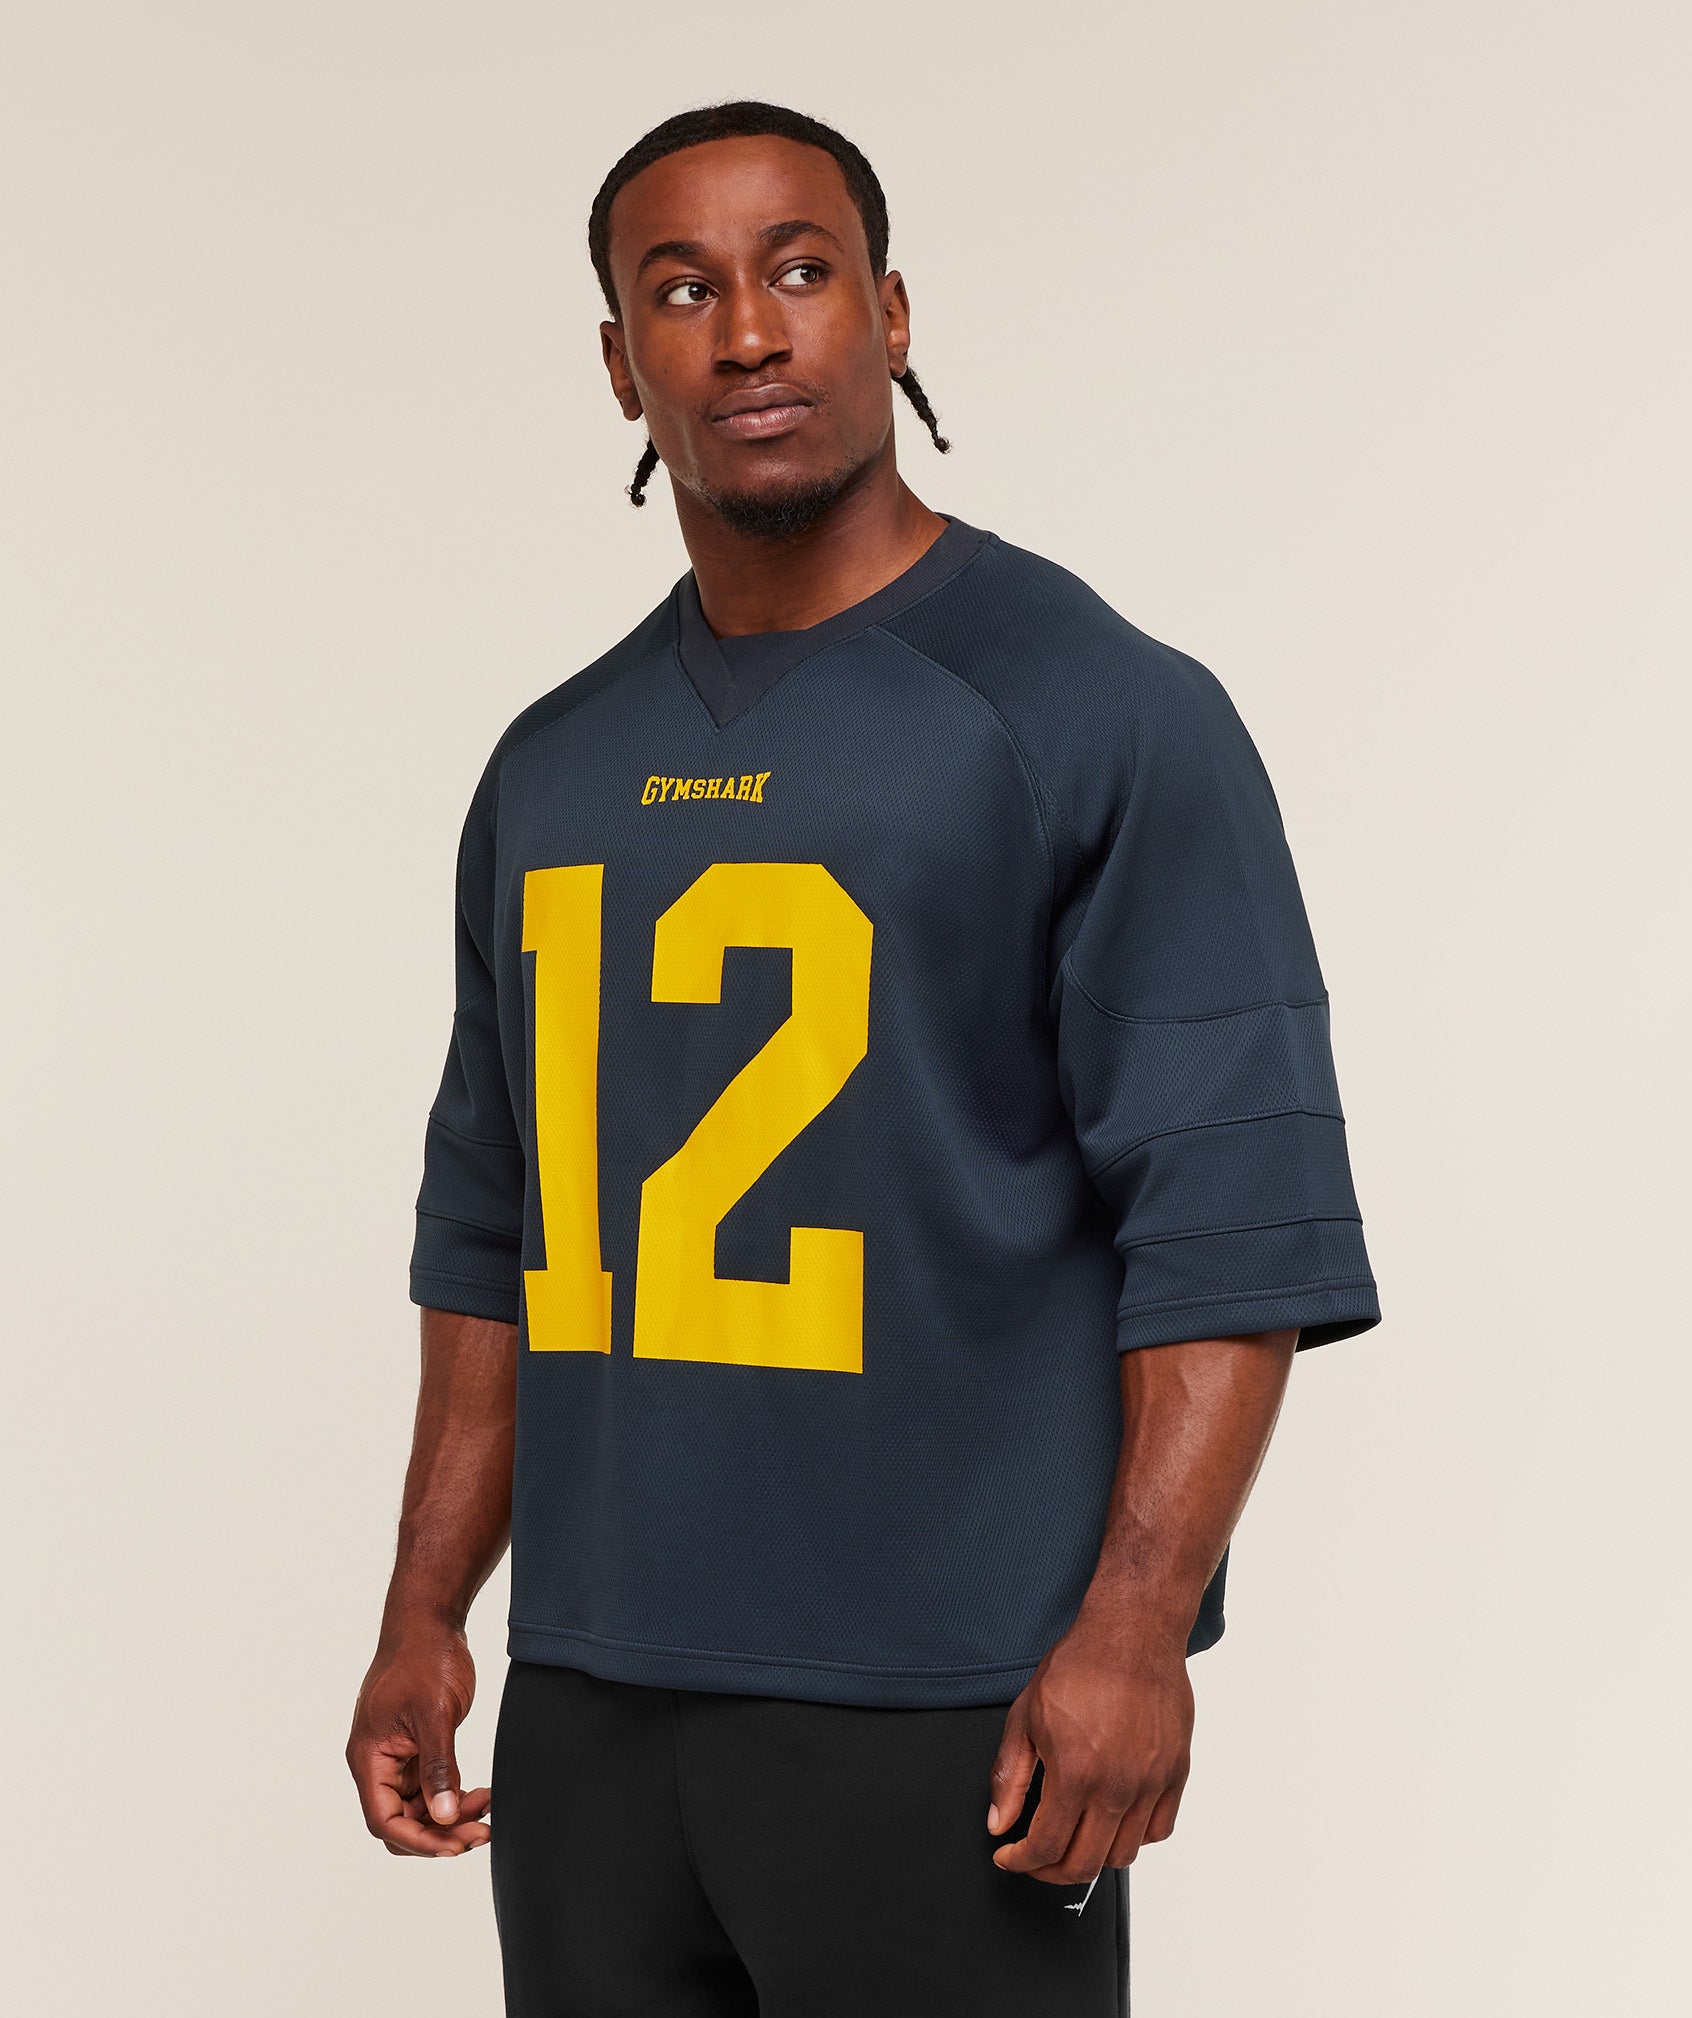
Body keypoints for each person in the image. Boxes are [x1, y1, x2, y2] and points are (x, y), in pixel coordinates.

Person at [346, 100, 1379, 2018]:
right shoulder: (550, 763)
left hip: (950, 1707)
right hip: (592, 1704)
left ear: (891, 315)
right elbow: (493, 1224)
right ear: (619, 363)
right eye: (683, 291)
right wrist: (425, 1609)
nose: (750, 331)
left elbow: (1232, 1222)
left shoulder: (1100, 709)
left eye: (801, 270)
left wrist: (1137, 1627)